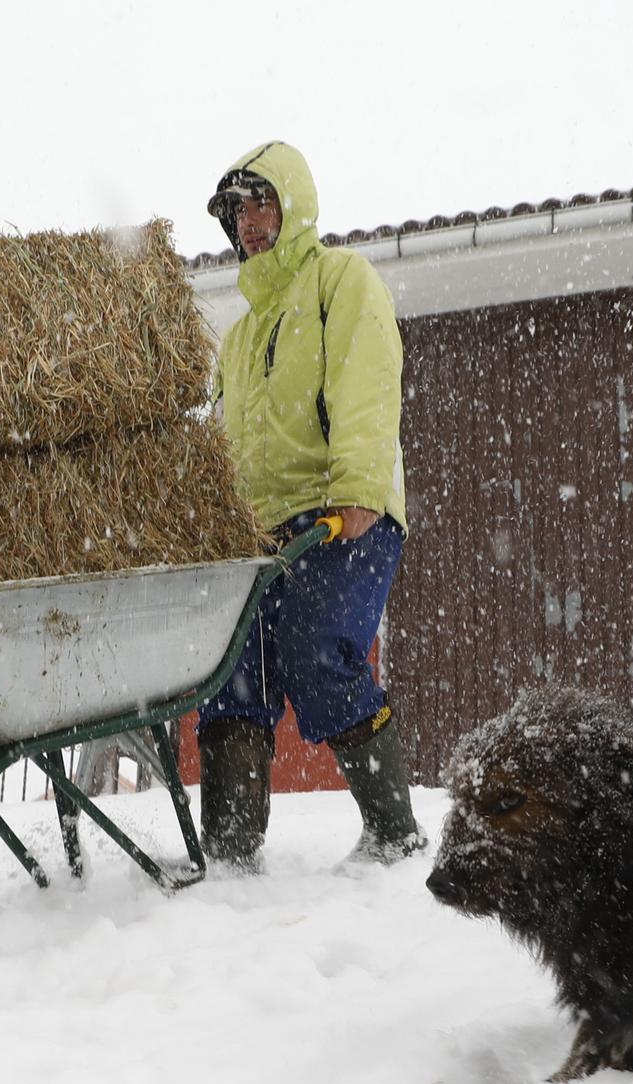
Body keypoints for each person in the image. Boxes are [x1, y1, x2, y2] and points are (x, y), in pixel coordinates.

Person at [198, 140, 425, 871]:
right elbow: (225, 437)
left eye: (261, 202)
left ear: (293, 203)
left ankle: (394, 834)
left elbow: (367, 378)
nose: (250, 222)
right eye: (237, 211)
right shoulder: (238, 337)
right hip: (263, 532)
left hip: (341, 511)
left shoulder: (340, 281)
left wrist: (358, 485)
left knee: (318, 651)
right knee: (233, 670)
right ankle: (231, 853)